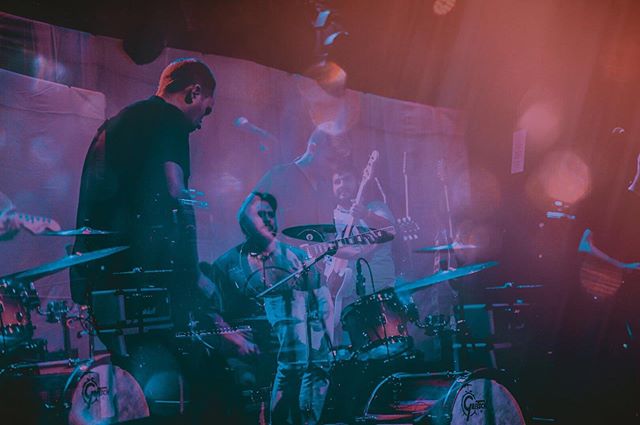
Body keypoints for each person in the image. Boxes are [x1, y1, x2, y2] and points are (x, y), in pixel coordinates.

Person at [69, 58, 226, 422]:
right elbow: (177, 195)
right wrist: (195, 276)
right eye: (206, 109)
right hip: (142, 289)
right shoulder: (169, 122)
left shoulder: (116, 124)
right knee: (187, 385)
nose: (202, 122)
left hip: (101, 286)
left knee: (134, 392)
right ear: (194, 92)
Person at [221, 191, 333, 425]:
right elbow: (213, 314)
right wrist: (239, 341)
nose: (268, 220)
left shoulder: (298, 258)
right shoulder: (226, 264)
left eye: (271, 214)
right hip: (248, 351)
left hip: (291, 350)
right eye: (260, 215)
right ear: (245, 222)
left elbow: (318, 308)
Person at [326, 165, 396, 342]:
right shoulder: (330, 217)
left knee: (387, 346)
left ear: (358, 181)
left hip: (379, 292)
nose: (342, 185)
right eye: (337, 182)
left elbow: (390, 230)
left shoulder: (376, 207)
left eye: (347, 179)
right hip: (348, 298)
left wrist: (365, 213)